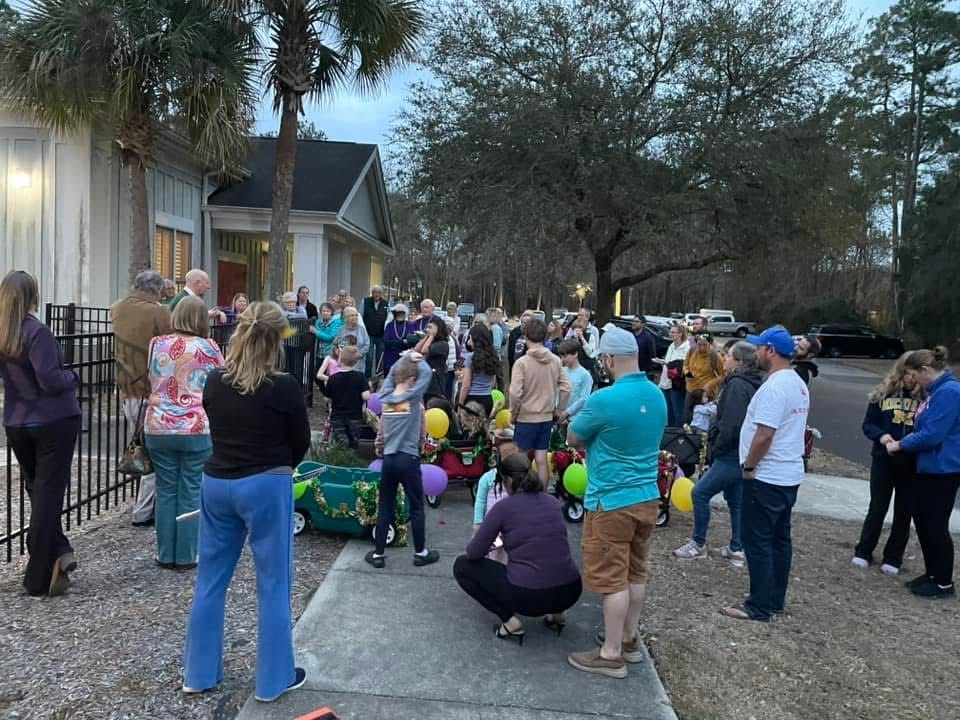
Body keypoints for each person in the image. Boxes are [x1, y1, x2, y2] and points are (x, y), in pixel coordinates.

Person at [183, 301, 311, 702]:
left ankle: (198, 674)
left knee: (210, 581)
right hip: (266, 483)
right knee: (273, 584)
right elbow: (300, 443)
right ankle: (273, 679)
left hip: (217, 482)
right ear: (276, 340)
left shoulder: (216, 381)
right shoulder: (285, 386)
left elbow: (213, 422)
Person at [565, 326, 667, 678]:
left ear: (608, 358)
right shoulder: (657, 395)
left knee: (613, 581)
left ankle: (610, 655)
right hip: (648, 498)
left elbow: (573, 436)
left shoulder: (603, 399)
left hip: (611, 500)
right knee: (636, 571)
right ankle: (627, 640)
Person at [0, 270, 81, 597]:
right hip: (53, 419)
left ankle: (59, 552)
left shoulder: (4, 333)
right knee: (48, 493)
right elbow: (50, 379)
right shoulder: (37, 332)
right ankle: (37, 576)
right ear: (33, 295)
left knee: (39, 490)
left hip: (17, 420)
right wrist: (72, 376)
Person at [722, 326, 809, 622]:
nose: (756, 353)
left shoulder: (774, 387)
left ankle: (758, 605)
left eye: (760, 348)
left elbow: (764, 434)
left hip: (767, 476)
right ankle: (775, 598)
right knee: (779, 539)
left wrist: (749, 467)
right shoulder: (797, 383)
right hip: (788, 475)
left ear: (771, 351)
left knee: (757, 540)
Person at [454, 453, 583, 643]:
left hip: (529, 596)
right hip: (571, 590)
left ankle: (509, 622)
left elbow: (474, 553)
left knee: (462, 566)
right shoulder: (552, 502)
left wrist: (494, 541)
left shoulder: (503, 507)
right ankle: (558, 614)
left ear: (507, 480)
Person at [144, 297, 225, 570]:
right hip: (196, 427)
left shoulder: (157, 344)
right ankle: (187, 555)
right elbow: (221, 382)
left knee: (165, 490)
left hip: (158, 425)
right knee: (190, 489)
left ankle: (165, 554)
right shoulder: (210, 347)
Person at [673, 341, 763, 565]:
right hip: (740, 452)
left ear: (740, 361)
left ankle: (698, 543)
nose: (724, 359)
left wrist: (717, 446)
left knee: (700, 493)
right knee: (735, 499)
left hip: (731, 453)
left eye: (728, 355)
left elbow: (732, 423)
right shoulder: (749, 383)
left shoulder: (737, 385)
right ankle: (737, 547)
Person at [886, 346, 960, 598]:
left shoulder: (949, 393)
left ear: (925, 370)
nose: (913, 381)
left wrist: (900, 444)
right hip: (927, 467)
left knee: (935, 524)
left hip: (943, 470)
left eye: (914, 375)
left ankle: (943, 582)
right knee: (923, 522)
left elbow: (933, 434)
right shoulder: (936, 393)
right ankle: (931, 573)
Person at [365, 353, 441, 569]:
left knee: (385, 506)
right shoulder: (412, 399)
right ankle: (421, 552)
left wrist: (403, 358)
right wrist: (418, 359)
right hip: (408, 460)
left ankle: (378, 554)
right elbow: (426, 375)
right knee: (417, 507)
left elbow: (390, 375)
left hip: (389, 459)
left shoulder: (387, 397)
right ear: (411, 381)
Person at [111, 269, 174, 527]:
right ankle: (143, 511)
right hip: (151, 389)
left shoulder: (117, 307)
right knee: (152, 453)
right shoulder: (159, 312)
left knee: (142, 446)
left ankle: (143, 506)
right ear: (156, 290)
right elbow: (171, 345)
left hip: (127, 388)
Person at [852, 353, 922, 575]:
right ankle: (864, 551)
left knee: (904, 511)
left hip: (911, 462)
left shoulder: (927, 398)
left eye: (916, 373)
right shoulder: (883, 393)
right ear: (901, 371)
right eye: (908, 372)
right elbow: (868, 424)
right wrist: (882, 437)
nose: (912, 378)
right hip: (883, 460)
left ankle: (893, 557)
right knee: (877, 507)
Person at [510, 318, 571, 496]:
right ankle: (541, 494)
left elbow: (515, 393)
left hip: (526, 416)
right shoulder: (555, 361)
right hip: (546, 416)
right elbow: (566, 388)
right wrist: (560, 409)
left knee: (521, 457)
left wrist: (514, 412)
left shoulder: (522, 363)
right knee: (541, 458)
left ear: (526, 335)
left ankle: (520, 493)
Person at [323, 346, 370, 450]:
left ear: (340, 359)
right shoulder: (361, 377)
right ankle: (352, 456)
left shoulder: (333, 378)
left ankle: (342, 460)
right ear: (356, 362)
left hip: (337, 416)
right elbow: (366, 396)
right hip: (355, 416)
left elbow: (327, 398)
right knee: (354, 441)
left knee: (341, 442)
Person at [459, 323, 499, 417]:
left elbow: (466, 385)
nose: (469, 341)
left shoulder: (470, 358)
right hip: (487, 398)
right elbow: (493, 382)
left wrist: (460, 404)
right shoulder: (493, 357)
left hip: (472, 399)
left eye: (470, 338)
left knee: (469, 428)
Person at [682, 333, 724, 423]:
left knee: (703, 419)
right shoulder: (692, 351)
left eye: (705, 344)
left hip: (705, 393)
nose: (702, 347)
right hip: (691, 390)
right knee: (687, 417)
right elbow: (685, 365)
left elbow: (722, 376)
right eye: (699, 344)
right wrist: (687, 374)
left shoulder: (715, 356)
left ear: (710, 344)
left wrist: (710, 384)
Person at [656, 324, 690, 426]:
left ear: (680, 334)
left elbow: (684, 365)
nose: (671, 334)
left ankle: (678, 434)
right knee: (668, 410)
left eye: (673, 332)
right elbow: (669, 361)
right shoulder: (671, 345)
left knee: (677, 411)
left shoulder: (686, 347)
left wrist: (667, 364)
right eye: (670, 332)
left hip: (677, 383)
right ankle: (671, 432)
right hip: (666, 380)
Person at [414, 315, 451, 401]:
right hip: (426, 379)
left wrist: (431, 336)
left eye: (430, 327)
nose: (428, 329)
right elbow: (417, 349)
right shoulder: (431, 341)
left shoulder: (443, 344)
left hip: (436, 381)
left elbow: (424, 350)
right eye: (427, 327)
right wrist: (426, 336)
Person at [557, 339, 593, 422]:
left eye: (565, 356)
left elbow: (583, 398)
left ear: (575, 354)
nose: (562, 359)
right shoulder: (561, 370)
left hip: (574, 419)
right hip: (559, 416)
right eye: (561, 356)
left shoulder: (585, 375)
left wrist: (566, 413)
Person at [565, 308, 600, 381]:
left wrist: (582, 338)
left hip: (587, 367)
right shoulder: (572, 330)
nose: (579, 317)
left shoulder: (593, 331)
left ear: (587, 317)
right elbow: (565, 344)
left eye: (581, 315)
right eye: (578, 315)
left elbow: (594, 351)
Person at [362, 286, 389, 378]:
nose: (376, 294)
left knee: (380, 357)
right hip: (368, 334)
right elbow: (361, 317)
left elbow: (388, 319)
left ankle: (378, 376)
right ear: (372, 293)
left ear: (381, 294)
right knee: (369, 357)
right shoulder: (365, 302)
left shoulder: (386, 304)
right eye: (375, 292)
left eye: (378, 292)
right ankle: (367, 377)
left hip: (381, 335)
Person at [334, 307, 370, 374]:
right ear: (346, 317)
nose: (355, 317)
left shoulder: (362, 329)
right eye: (352, 315)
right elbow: (337, 344)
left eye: (356, 315)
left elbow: (367, 344)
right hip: (344, 364)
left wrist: (359, 354)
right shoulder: (341, 329)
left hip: (359, 363)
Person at [382, 302, 415, 373]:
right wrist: (403, 342)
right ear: (395, 314)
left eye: (402, 313)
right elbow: (386, 341)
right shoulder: (389, 325)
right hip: (389, 358)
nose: (400, 315)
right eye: (398, 313)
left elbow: (412, 341)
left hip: (404, 359)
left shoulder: (409, 325)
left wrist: (404, 342)